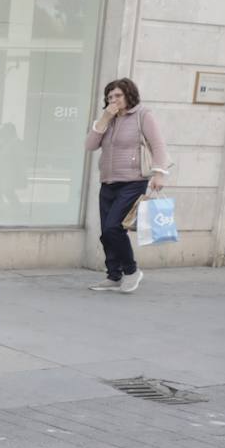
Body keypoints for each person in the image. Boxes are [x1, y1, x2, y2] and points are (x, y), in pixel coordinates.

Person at [85, 77, 169, 293]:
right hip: (108, 182)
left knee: (114, 228)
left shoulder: (142, 115)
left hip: (133, 182)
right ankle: (114, 276)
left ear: (129, 95)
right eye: (110, 96)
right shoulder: (109, 119)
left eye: (118, 95)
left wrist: (160, 174)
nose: (113, 99)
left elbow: (158, 145)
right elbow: (90, 145)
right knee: (106, 232)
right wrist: (104, 118)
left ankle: (131, 271)